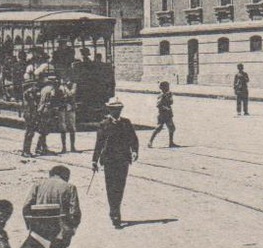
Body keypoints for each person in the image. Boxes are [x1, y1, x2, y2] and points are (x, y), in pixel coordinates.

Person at [91, 99, 140, 227]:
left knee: (120, 186)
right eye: (114, 109)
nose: (117, 111)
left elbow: (133, 139)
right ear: (109, 110)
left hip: (123, 159)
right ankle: (115, 212)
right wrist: (94, 160)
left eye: (119, 109)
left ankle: (115, 210)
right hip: (109, 160)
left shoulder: (126, 123)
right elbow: (99, 144)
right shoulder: (104, 124)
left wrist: (134, 151)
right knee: (111, 186)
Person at [148, 81, 177, 148]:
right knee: (159, 128)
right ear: (163, 88)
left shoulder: (168, 94)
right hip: (162, 114)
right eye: (167, 86)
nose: (168, 88)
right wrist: (166, 108)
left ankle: (171, 142)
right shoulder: (162, 95)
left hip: (168, 114)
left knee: (172, 128)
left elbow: (171, 102)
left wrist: (170, 97)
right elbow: (158, 105)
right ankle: (150, 142)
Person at [58, 80, 79, 153]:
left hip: (70, 108)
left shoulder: (73, 84)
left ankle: (72, 147)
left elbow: (71, 94)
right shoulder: (60, 86)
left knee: (72, 128)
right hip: (62, 108)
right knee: (63, 128)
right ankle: (64, 148)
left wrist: (65, 87)